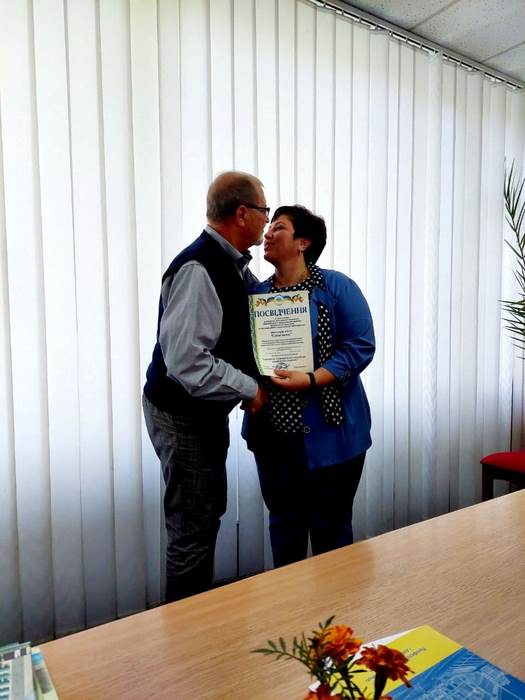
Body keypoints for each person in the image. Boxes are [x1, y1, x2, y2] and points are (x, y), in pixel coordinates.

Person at [142, 171, 267, 602]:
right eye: (264, 211)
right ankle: (186, 634)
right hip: (182, 415)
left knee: (205, 513)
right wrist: (250, 389)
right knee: (192, 531)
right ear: (242, 213)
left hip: (199, 413)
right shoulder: (200, 269)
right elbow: (188, 364)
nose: (267, 221)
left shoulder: (231, 265)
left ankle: (196, 621)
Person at [243, 205, 375, 568]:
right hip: (274, 437)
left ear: (303, 242)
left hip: (333, 436)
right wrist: (247, 386)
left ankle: (336, 607)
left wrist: (313, 378)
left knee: (332, 534)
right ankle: (292, 607)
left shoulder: (336, 287)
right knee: (285, 533)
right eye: (268, 227)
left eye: (279, 228)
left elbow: (360, 345)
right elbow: (245, 354)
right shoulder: (256, 295)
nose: (268, 234)